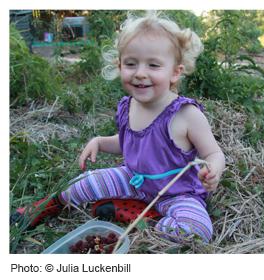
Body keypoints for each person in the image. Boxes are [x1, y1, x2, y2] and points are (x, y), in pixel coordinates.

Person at [11, 12, 225, 243]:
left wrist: (212, 170)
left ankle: (147, 217)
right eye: (131, 64)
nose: (140, 73)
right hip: (133, 180)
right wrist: (100, 142)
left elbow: (213, 153)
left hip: (178, 194)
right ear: (119, 65)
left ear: (175, 72)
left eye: (153, 65)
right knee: (86, 182)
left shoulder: (186, 115)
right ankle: (46, 205)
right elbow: (130, 143)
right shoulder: (128, 106)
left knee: (196, 230)